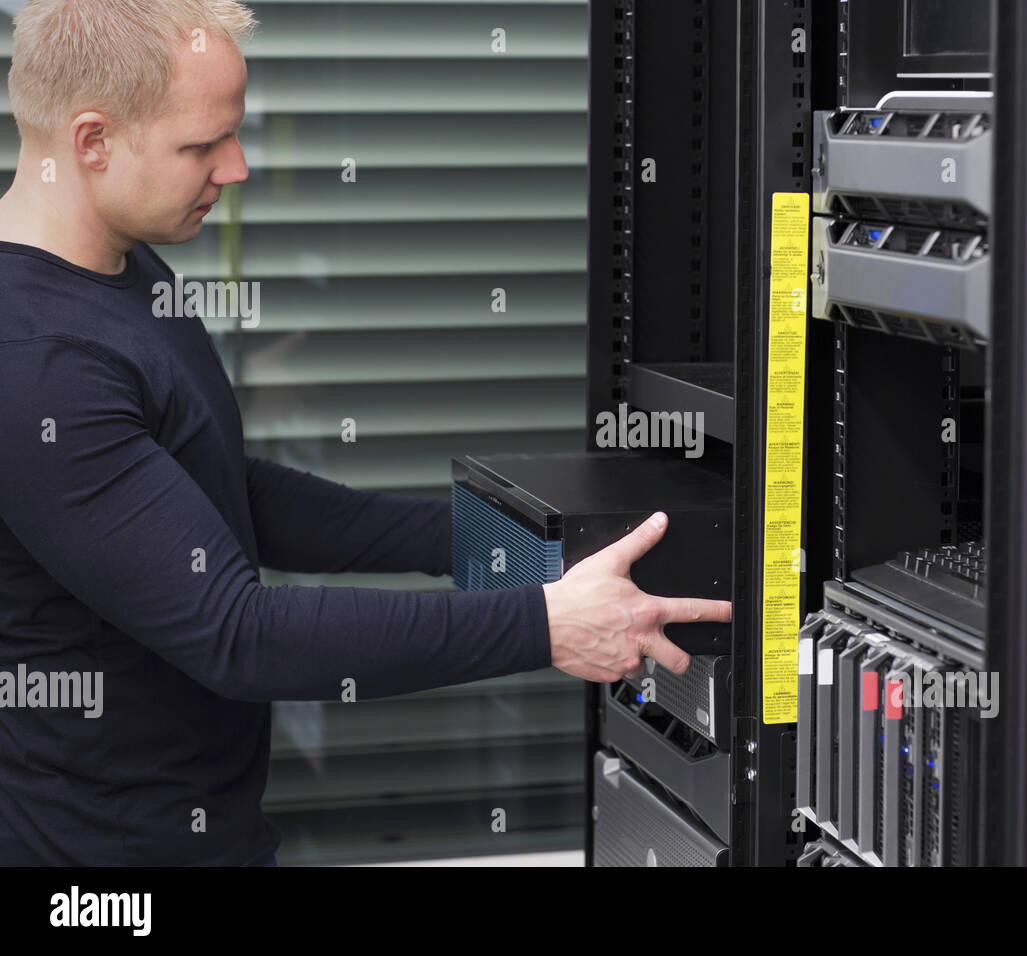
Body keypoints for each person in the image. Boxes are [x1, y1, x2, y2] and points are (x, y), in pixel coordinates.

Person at [0, 0, 730, 865]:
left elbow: (224, 494)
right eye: (202, 145)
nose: (234, 168)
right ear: (91, 142)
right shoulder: (36, 361)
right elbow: (239, 635)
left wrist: (510, 547)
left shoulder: (118, 267)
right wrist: (543, 625)